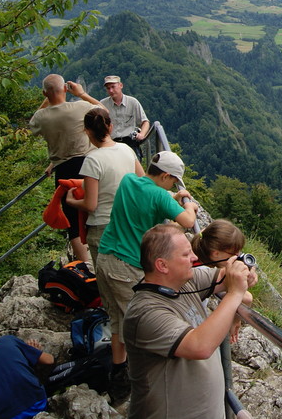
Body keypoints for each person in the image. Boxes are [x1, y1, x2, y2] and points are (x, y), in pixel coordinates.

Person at [122, 224, 252, 419]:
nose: (194, 258)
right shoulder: (145, 313)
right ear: (162, 265)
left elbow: (235, 278)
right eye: (185, 255)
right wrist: (234, 294)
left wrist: (243, 270)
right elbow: (199, 346)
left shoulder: (185, 282)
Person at [95, 151, 197, 390]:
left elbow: (147, 197)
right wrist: (188, 204)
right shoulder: (160, 196)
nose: (173, 184)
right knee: (138, 325)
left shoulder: (129, 181)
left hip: (104, 257)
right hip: (127, 266)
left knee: (118, 320)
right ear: (165, 175)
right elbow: (188, 222)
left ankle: (118, 372)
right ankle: (138, 381)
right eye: (173, 180)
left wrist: (172, 195)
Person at [29, 74, 100, 264]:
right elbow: (103, 110)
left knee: (73, 223)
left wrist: (48, 97)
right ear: (66, 90)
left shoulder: (41, 117)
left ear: (45, 93)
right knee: (96, 211)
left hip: (63, 170)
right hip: (88, 166)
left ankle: (85, 266)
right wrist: (82, 93)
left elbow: (32, 124)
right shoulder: (80, 108)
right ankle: (102, 259)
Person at [66, 107, 144, 268]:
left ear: (87, 132)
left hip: (103, 227)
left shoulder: (92, 160)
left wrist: (71, 201)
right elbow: (142, 181)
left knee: (108, 282)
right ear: (110, 127)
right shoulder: (127, 150)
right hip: (129, 223)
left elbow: (90, 204)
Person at [192, 220, 253, 344]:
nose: (237, 257)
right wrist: (235, 320)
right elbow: (247, 298)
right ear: (215, 254)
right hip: (193, 329)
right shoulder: (203, 272)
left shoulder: (197, 254)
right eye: (234, 253)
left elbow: (204, 232)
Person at [99, 75, 150, 158]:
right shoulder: (103, 104)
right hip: (112, 143)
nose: (111, 90)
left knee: (133, 168)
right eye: (108, 88)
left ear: (120, 85)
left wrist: (142, 134)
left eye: (113, 87)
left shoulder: (132, 102)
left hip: (130, 142)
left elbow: (145, 122)